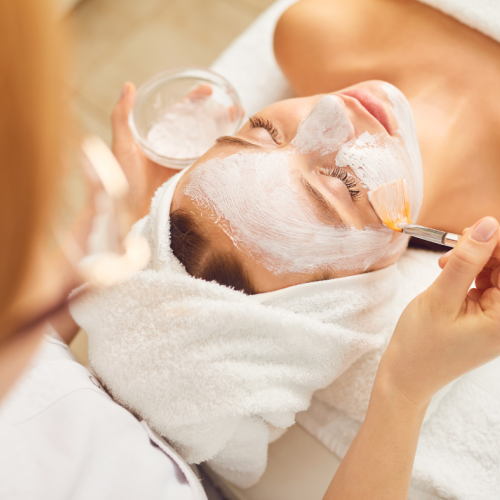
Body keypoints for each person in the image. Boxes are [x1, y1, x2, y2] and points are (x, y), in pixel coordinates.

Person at [2, 2, 500, 500]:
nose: (328, 110)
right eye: (342, 184)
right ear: (365, 288)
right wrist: (405, 388)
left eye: (262, 131)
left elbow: (26, 335)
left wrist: (120, 217)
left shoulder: (319, 36)